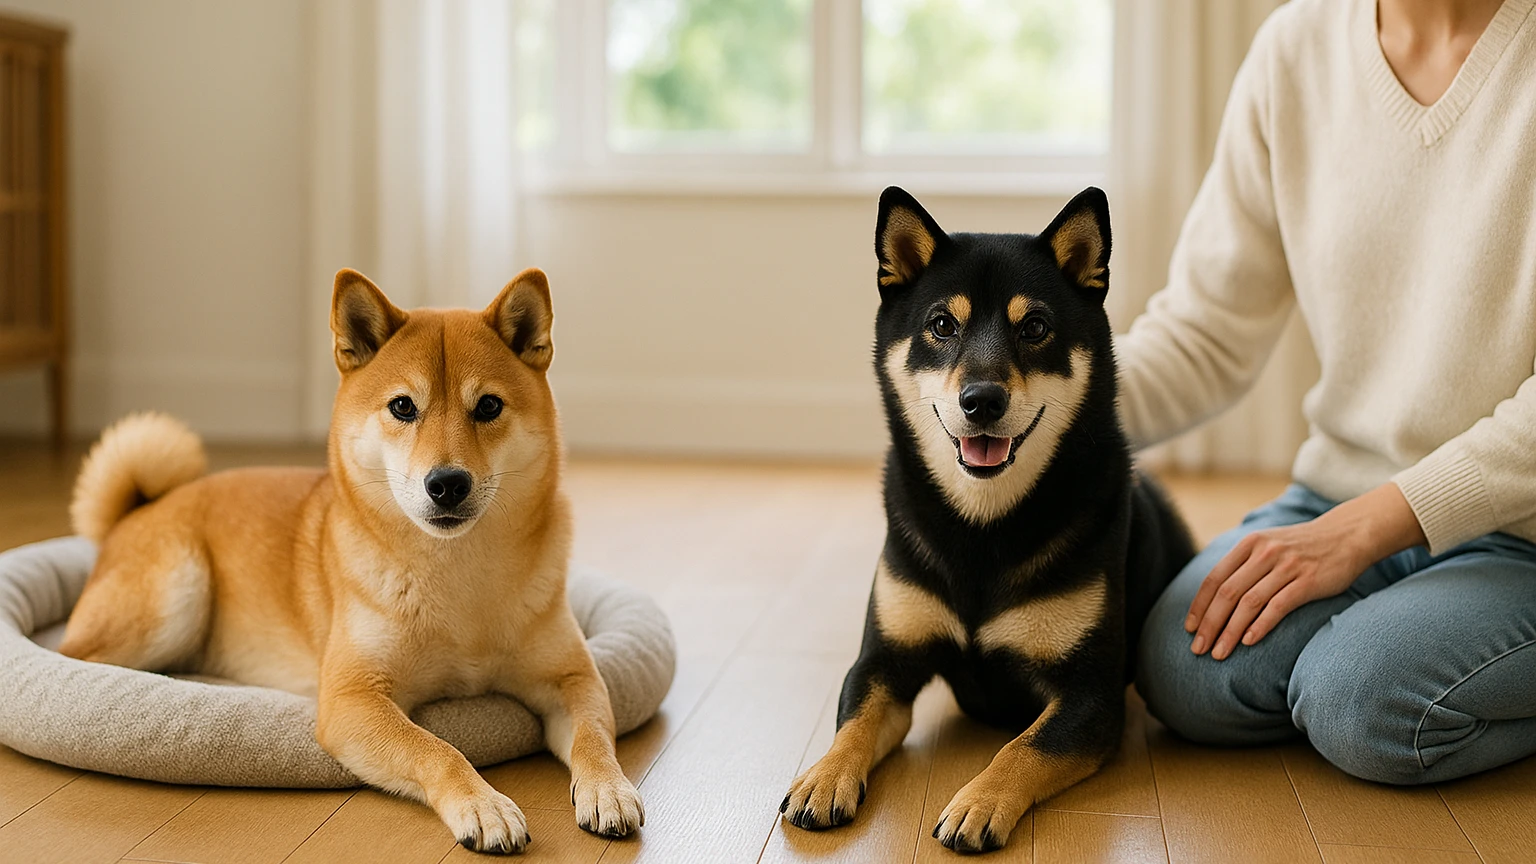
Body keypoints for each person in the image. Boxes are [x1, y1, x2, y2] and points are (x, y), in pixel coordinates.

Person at [1119, 0, 1536, 784]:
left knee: (1361, 698)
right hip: (1339, 498)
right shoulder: (1295, 49)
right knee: (1182, 668)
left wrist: (1370, 529)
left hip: (1523, 529)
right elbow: (1205, 332)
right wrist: (1038, 405)